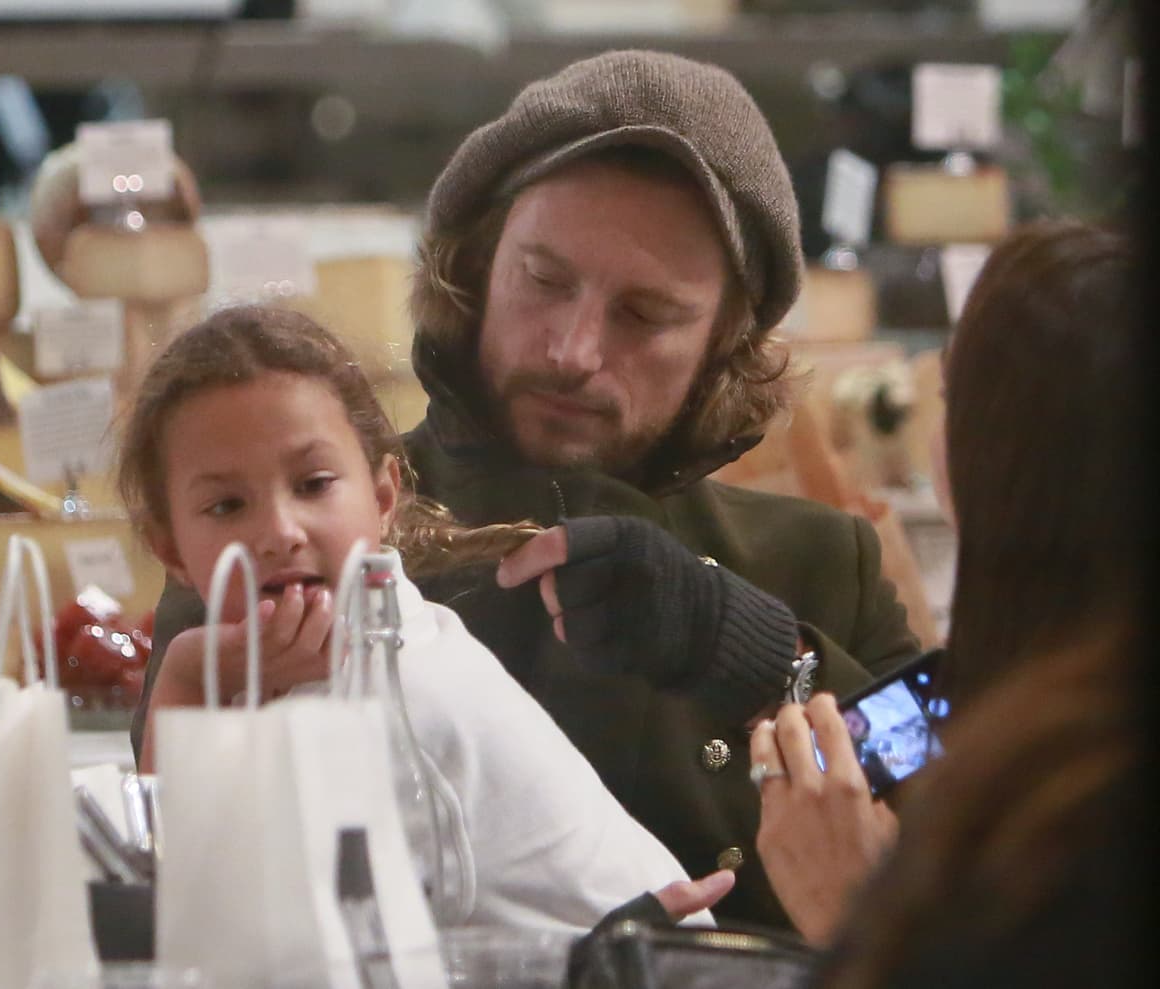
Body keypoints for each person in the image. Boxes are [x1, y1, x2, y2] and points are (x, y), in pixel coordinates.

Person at [140, 49, 920, 927]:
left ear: (725, 342)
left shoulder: (816, 559)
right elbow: (187, 905)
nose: (572, 350)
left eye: (645, 315)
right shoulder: (294, 532)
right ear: (474, 268)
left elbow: (953, 802)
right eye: (543, 281)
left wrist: (748, 647)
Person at [116, 304, 729, 930]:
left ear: (383, 498)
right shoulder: (314, 664)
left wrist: (184, 681)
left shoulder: (381, 696)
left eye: (313, 484)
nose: (280, 531)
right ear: (171, 551)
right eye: (226, 505)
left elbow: (195, 923)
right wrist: (190, 673)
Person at [747, 221, 1148, 977]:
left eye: (951, 398)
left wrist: (851, 914)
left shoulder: (1072, 808)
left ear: (1001, 459)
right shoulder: (958, 696)